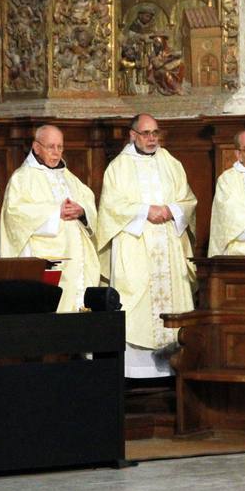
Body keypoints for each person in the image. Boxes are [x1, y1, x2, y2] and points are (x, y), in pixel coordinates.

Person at [96, 114, 197, 378]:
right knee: (134, 302)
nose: (152, 138)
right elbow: (110, 208)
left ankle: (172, 368)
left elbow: (188, 200)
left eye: (155, 133)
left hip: (168, 243)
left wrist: (171, 210)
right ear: (132, 135)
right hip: (135, 245)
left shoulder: (172, 164)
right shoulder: (118, 168)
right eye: (146, 133)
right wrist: (144, 212)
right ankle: (137, 371)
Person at [0, 125, 99, 312]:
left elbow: (89, 203)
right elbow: (15, 214)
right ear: (36, 148)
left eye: (60, 147)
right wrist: (55, 212)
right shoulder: (22, 178)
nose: (56, 152)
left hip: (77, 258)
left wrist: (81, 211)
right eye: (50, 147)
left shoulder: (69, 177)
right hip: (49, 258)